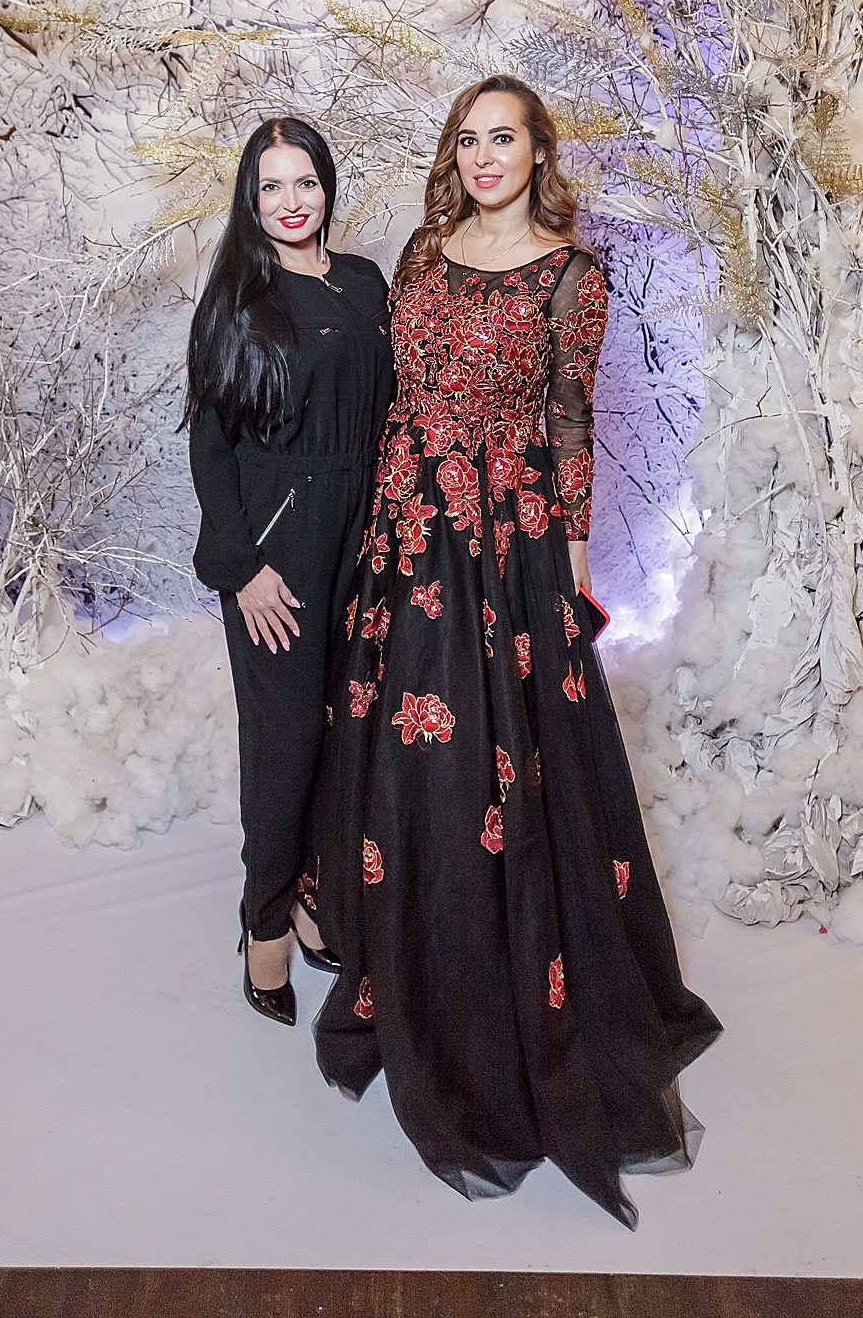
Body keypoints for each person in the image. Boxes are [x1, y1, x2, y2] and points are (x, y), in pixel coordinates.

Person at [302, 76, 720, 1225]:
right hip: (405, 534)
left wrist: (570, 572)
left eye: (505, 136)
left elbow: (569, 419)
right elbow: (393, 400)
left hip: (506, 544)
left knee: (512, 770)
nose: (484, 154)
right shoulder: (421, 253)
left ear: (539, 150)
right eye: (468, 137)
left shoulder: (573, 274)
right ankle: (422, 974)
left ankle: (510, 991)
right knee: (412, 763)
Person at [186, 118, 394, 1026]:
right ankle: (263, 923)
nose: (290, 201)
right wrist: (243, 570)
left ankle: (314, 899)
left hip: (366, 532)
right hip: (282, 545)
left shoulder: (364, 281)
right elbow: (210, 445)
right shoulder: (239, 298)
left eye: (304, 181)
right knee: (286, 742)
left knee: (347, 734)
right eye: (270, 186)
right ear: (250, 198)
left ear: (327, 185)